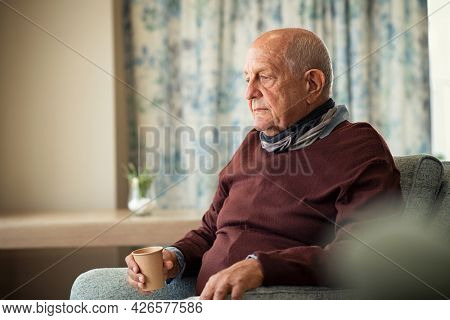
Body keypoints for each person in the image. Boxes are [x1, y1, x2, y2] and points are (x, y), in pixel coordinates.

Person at [125, 28, 402, 300]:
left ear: (312, 84)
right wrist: (175, 256)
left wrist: (260, 267)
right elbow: (211, 229)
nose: (249, 93)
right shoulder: (252, 142)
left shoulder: (359, 147)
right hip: (203, 299)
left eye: (265, 77)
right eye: (247, 78)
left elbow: (363, 253)